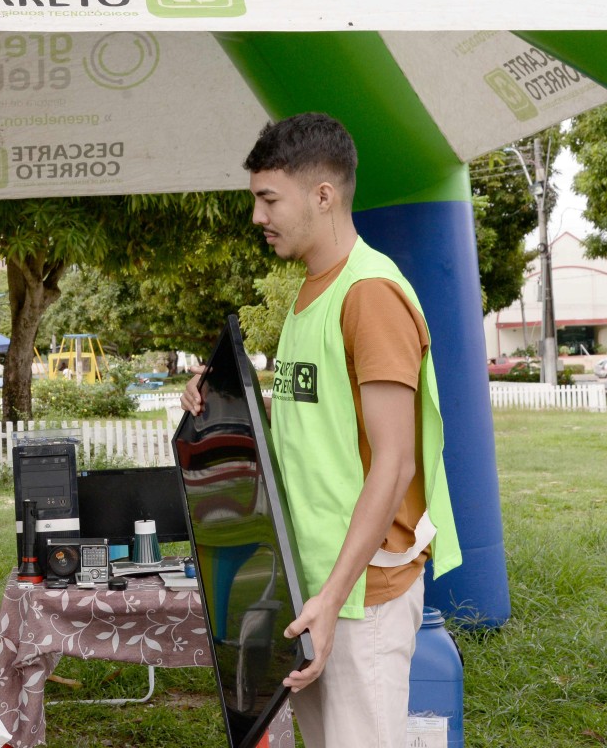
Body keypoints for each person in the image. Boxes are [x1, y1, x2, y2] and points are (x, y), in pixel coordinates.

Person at [183, 113, 461, 747]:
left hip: (362, 591)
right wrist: (224, 404)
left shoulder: (370, 294)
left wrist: (333, 598)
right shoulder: (312, 292)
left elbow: (395, 463)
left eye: (268, 198)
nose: (258, 216)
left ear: (323, 195)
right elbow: (318, 425)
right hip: (315, 586)